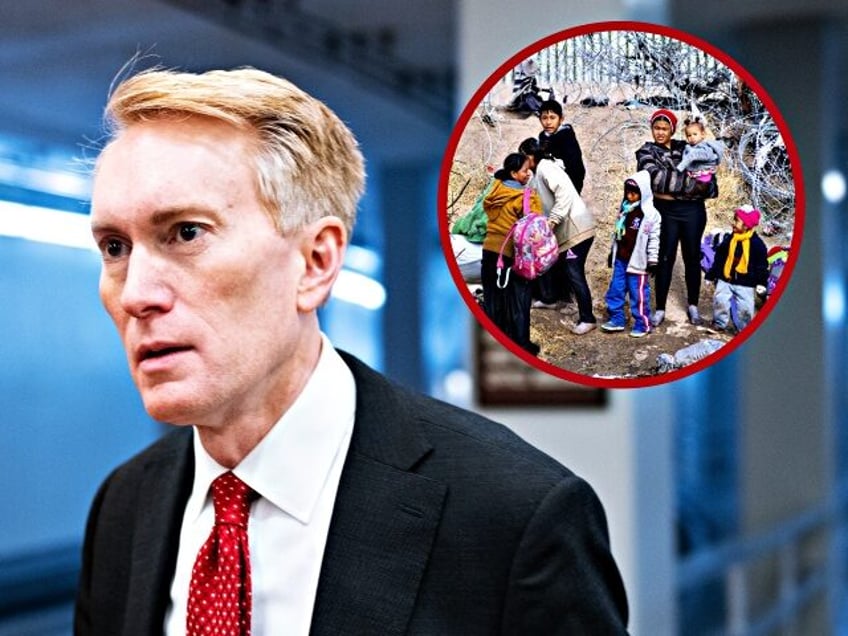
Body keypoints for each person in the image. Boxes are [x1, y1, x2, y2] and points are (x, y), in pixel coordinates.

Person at [74, 67, 629, 635]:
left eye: (186, 233)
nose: (136, 293)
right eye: (114, 247)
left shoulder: (511, 518)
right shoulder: (125, 507)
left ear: (315, 263)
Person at [636, 108, 717, 328]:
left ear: (672, 129)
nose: (660, 133)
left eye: (665, 128)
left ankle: (693, 306)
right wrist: (692, 185)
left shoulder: (686, 145)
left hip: (693, 213)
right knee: (665, 257)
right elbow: (655, 179)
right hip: (666, 213)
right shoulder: (646, 151)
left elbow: (710, 180)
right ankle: (660, 308)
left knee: (692, 257)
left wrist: (675, 189)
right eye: (656, 128)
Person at [519, 137, 598, 335]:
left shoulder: (547, 167)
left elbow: (564, 194)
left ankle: (588, 319)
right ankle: (549, 298)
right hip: (566, 232)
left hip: (577, 229)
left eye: (523, 157)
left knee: (573, 271)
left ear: (530, 156)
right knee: (550, 264)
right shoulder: (537, 175)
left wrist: (552, 220)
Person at [481, 153, 542, 356]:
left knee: (493, 299)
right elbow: (536, 227)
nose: (529, 173)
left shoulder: (495, 188)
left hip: (490, 250)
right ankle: (521, 345)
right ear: (514, 173)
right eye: (525, 170)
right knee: (519, 299)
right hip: (511, 255)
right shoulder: (527, 196)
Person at [601, 171, 661, 338]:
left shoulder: (650, 215)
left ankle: (642, 323)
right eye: (627, 192)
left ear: (643, 193)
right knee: (616, 290)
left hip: (638, 262)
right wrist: (611, 252)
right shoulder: (625, 209)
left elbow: (654, 239)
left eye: (634, 193)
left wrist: (653, 260)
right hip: (621, 259)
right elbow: (617, 233)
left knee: (638, 295)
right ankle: (617, 319)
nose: (630, 195)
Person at [705, 205, 769, 332]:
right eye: (734, 220)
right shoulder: (730, 239)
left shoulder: (757, 245)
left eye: (737, 221)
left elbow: (762, 265)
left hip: (746, 283)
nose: (733, 223)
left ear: (746, 225)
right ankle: (719, 323)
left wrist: (762, 282)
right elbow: (720, 258)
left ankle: (744, 329)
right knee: (720, 301)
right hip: (726, 278)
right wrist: (711, 274)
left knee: (745, 307)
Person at [675, 116, 724, 189]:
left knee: (697, 192)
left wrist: (680, 167)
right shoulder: (691, 147)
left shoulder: (704, 147)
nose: (692, 137)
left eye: (695, 134)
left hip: (703, 176)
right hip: (695, 175)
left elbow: (696, 155)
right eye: (689, 135)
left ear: (702, 134)